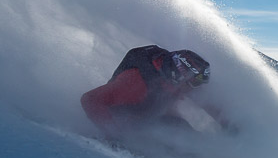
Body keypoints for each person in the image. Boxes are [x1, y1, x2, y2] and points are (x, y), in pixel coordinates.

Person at [81, 44, 213, 137]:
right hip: (128, 122)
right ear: (178, 75)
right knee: (171, 132)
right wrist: (114, 135)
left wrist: (227, 123)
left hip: (152, 114)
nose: (196, 88)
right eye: (195, 83)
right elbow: (91, 99)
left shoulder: (173, 81)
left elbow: (205, 101)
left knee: (180, 127)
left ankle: (202, 156)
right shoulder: (135, 84)